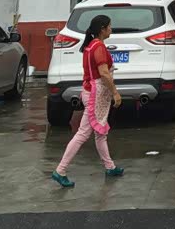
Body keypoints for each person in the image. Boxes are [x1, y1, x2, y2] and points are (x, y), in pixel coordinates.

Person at [51, 15, 124, 188]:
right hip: (95, 94)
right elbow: (104, 73)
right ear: (102, 29)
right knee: (83, 133)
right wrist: (115, 92)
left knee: (100, 133)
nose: (111, 29)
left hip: (91, 91)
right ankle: (60, 170)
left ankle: (110, 166)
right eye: (109, 26)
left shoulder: (91, 46)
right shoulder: (98, 47)